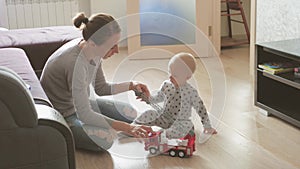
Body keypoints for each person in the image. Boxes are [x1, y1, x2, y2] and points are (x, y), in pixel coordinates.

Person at [40, 12, 153, 151]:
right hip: (64, 113)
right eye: (112, 46)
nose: (117, 50)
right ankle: (72, 131)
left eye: (117, 44)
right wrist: (127, 128)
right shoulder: (75, 64)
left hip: (79, 104)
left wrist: (132, 85)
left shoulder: (93, 50)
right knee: (105, 139)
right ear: (93, 44)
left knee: (130, 113)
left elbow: (101, 88)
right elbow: (85, 114)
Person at [133, 52, 217, 139]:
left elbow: (201, 109)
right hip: (164, 117)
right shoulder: (166, 84)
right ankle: (134, 127)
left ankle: (161, 135)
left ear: (187, 77)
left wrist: (207, 126)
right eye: (170, 72)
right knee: (150, 113)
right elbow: (158, 97)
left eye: (175, 75)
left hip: (180, 122)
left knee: (187, 127)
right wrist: (147, 98)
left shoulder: (191, 92)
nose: (170, 77)